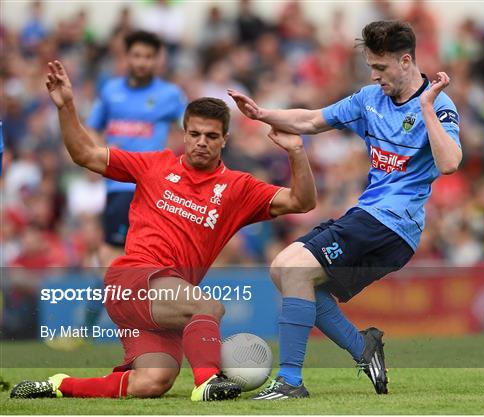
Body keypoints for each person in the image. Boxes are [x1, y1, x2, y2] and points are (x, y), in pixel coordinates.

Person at [10, 60, 316, 401]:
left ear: (225, 139)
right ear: (183, 134)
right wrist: (67, 105)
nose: (201, 142)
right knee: (207, 307)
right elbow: (84, 153)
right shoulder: (154, 164)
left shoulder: (238, 188)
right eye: (195, 134)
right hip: (133, 278)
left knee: (153, 382)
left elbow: (302, 202)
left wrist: (296, 152)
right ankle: (208, 383)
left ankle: (58, 386)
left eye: (211, 136)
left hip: (167, 300)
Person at [228, 20, 462, 399]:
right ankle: (362, 348)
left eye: (381, 67)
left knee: (293, 269)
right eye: (371, 66)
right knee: (283, 272)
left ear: (406, 61)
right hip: (370, 217)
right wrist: (261, 114)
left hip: (391, 224)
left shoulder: (439, 107)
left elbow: (450, 162)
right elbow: (312, 120)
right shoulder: (369, 100)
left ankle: (290, 382)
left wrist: (427, 108)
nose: (374, 75)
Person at [87, 30, 187, 268]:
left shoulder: (171, 95)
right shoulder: (111, 91)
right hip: (119, 184)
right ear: (127, 57)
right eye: (137, 56)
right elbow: (91, 128)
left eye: (149, 57)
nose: (142, 62)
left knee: (154, 253)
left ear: (157, 60)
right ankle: (105, 303)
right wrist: (100, 150)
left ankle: (130, 302)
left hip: (155, 186)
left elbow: (192, 128)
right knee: (113, 249)